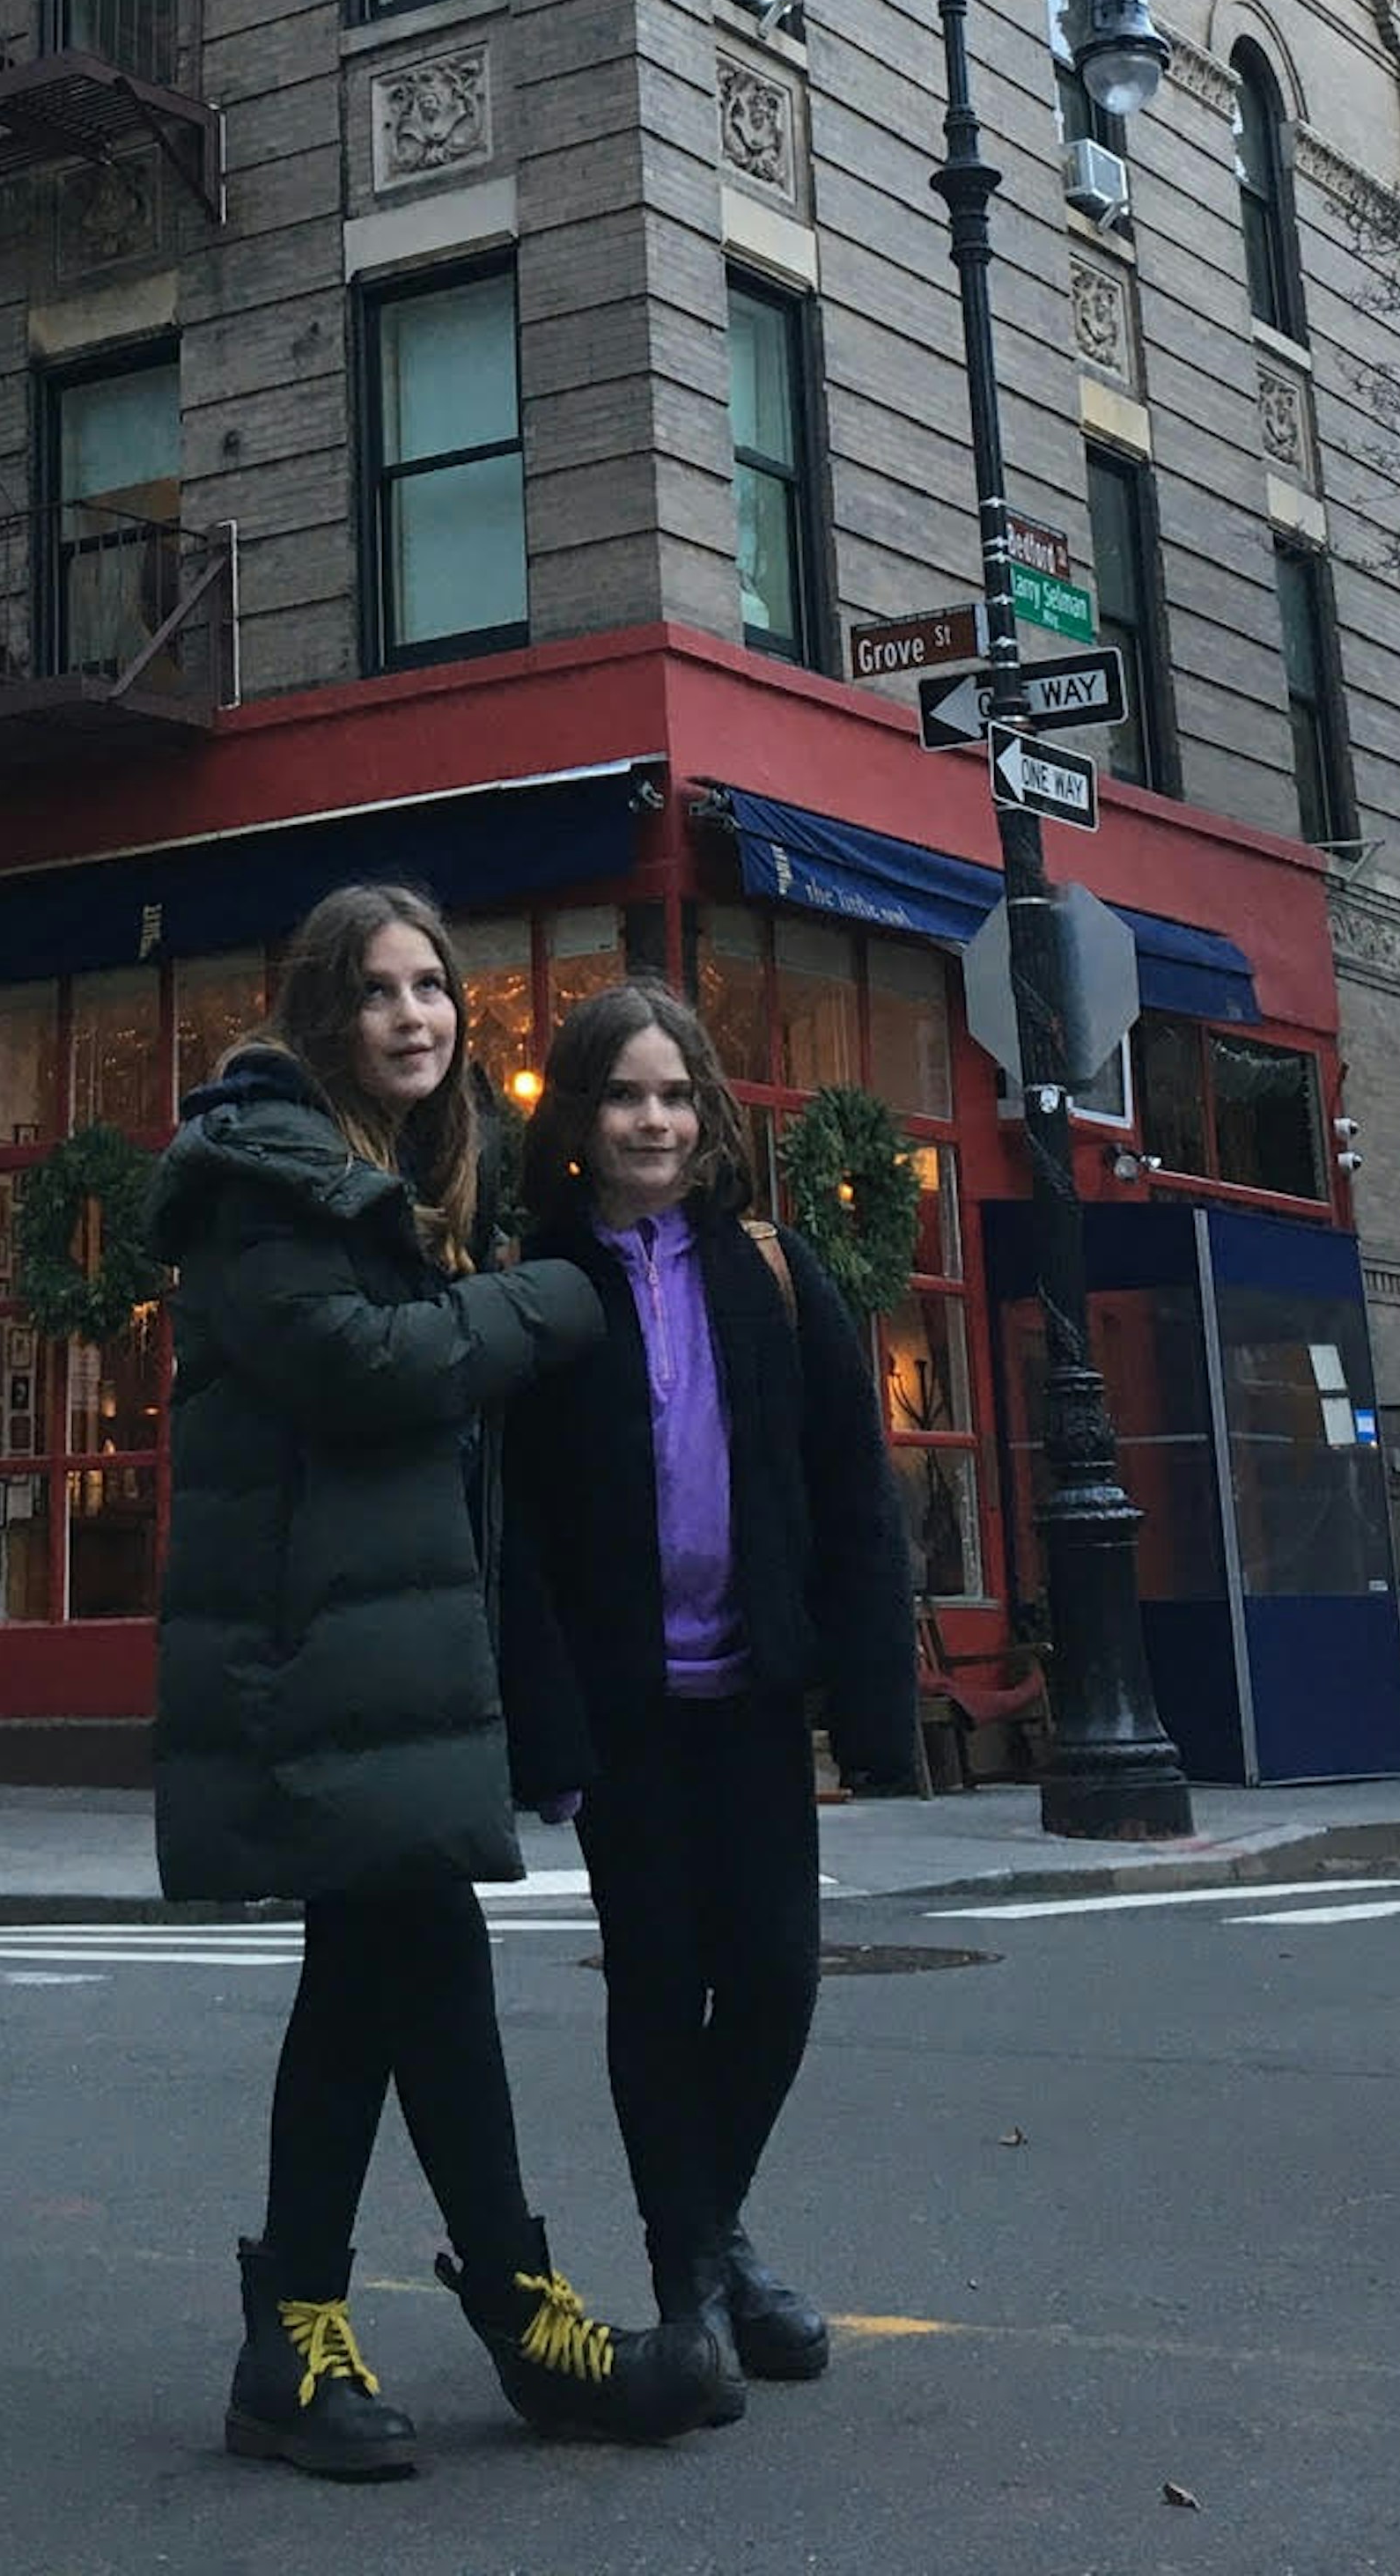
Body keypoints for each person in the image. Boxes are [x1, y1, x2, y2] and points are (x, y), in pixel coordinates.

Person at [151, 881, 720, 2477]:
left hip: (385, 1645)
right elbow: (363, 1369)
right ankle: (506, 2318)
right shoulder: (262, 1180)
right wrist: (556, 1298)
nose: (419, 1017)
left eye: (436, 991)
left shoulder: (394, 1177)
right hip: (309, 1646)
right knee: (411, 1960)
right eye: (384, 992)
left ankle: (311, 2335)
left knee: (375, 1975)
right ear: (323, 1010)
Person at [503, 975, 920, 2413]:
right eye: (625, 1093)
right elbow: (521, 1538)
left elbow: (854, 1496)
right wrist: (544, 1729)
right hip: (627, 1715)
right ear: (579, 1113)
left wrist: (874, 1713)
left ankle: (714, 2234)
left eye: (676, 1093)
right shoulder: (545, 1282)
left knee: (778, 1985)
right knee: (656, 1988)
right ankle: (692, 2291)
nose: (654, 1119)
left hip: (753, 1697)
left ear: (710, 1113)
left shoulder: (774, 1269)